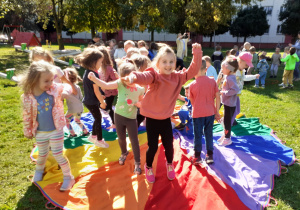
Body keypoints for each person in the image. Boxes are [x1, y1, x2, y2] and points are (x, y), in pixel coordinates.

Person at [121, 43, 203, 183]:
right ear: (158, 64)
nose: (168, 65)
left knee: (169, 146)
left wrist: (197, 53)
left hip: (165, 119)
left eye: (171, 61)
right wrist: (133, 77)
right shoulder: (154, 75)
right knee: (152, 147)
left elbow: (193, 70)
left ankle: (169, 165)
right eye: (164, 61)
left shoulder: (178, 77)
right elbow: (144, 76)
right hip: (152, 119)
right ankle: (148, 167)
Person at [19, 60, 75, 191]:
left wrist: (66, 91)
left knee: (58, 154)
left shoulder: (53, 89)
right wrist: (28, 131)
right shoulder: (27, 97)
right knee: (42, 154)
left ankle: (68, 177)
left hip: (56, 129)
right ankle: (39, 171)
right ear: (34, 80)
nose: (50, 83)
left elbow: (66, 87)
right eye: (47, 81)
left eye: (51, 80)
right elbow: (27, 116)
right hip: (40, 132)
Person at [88, 60, 145, 175]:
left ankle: (137, 162)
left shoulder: (140, 89)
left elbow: (142, 103)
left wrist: (138, 104)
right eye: (125, 79)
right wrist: (94, 79)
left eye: (130, 78)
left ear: (135, 76)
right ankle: (124, 153)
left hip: (131, 119)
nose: (128, 81)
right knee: (121, 138)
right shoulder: (120, 83)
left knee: (134, 140)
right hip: (118, 116)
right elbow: (106, 85)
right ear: (122, 78)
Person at [75, 48, 109, 148]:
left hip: (90, 100)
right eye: (100, 62)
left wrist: (101, 95)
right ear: (94, 62)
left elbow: (94, 88)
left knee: (97, 118)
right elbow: (96, 91)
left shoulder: (89, 71)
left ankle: (93, 136)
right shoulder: (93, 74)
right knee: (98, 119)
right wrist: (102, 102)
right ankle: (99, 140)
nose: (101, 64)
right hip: (91, 101)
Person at [189, 59, 220, 165]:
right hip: (210, 113)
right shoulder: (212, 81)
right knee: (209, 134)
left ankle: (197, 156)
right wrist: (217, 111)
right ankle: (210, 155)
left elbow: (192, 102)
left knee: (197, 134)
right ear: (206, 69)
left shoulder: (192, 85)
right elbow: (217, 96)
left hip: (197, 114)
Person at [217, 56, 240, 146]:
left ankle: (227, 139)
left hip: (230, 104)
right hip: (227, 103)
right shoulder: (228, 76)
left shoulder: (230, 78)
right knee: (225, 120)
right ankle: (225, 134)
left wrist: (224, 92)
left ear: (229, 69)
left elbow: (235, 89)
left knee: (227, 122)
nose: (221, 70)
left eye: (223, 68)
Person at [62, 67, 89, 137]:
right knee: (77, 120)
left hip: (72, 109)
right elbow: (81, 97)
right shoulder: (77, 86)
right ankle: (85, 131)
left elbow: (65, 95)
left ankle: (72, 133)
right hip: (80, 108)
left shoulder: (66, 86)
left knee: (66, 120)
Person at [98, 46, 118, 129]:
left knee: (108, 107)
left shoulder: (109, 68)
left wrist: (107, 83)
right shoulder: (99, 66)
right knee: (102, 105)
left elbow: (115, 80)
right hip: (102, 90)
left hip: (110, 91)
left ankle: (115, 123)